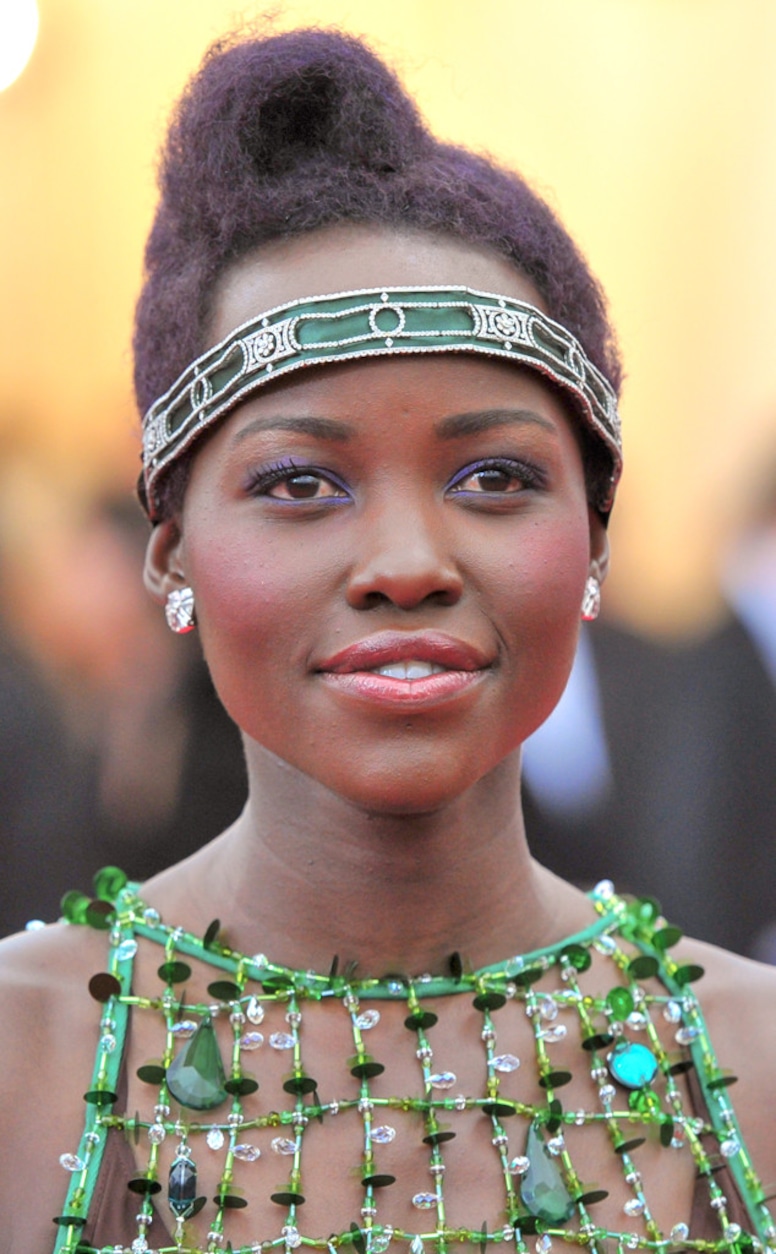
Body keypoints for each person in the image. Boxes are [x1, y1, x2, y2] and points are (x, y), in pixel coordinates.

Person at [1, 26, 774, 1254]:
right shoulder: (23, 1058)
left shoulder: (746, 1068)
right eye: (301, 484)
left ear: (596, 540)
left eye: (493, 476)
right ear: (170, 551)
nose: (408, 563)